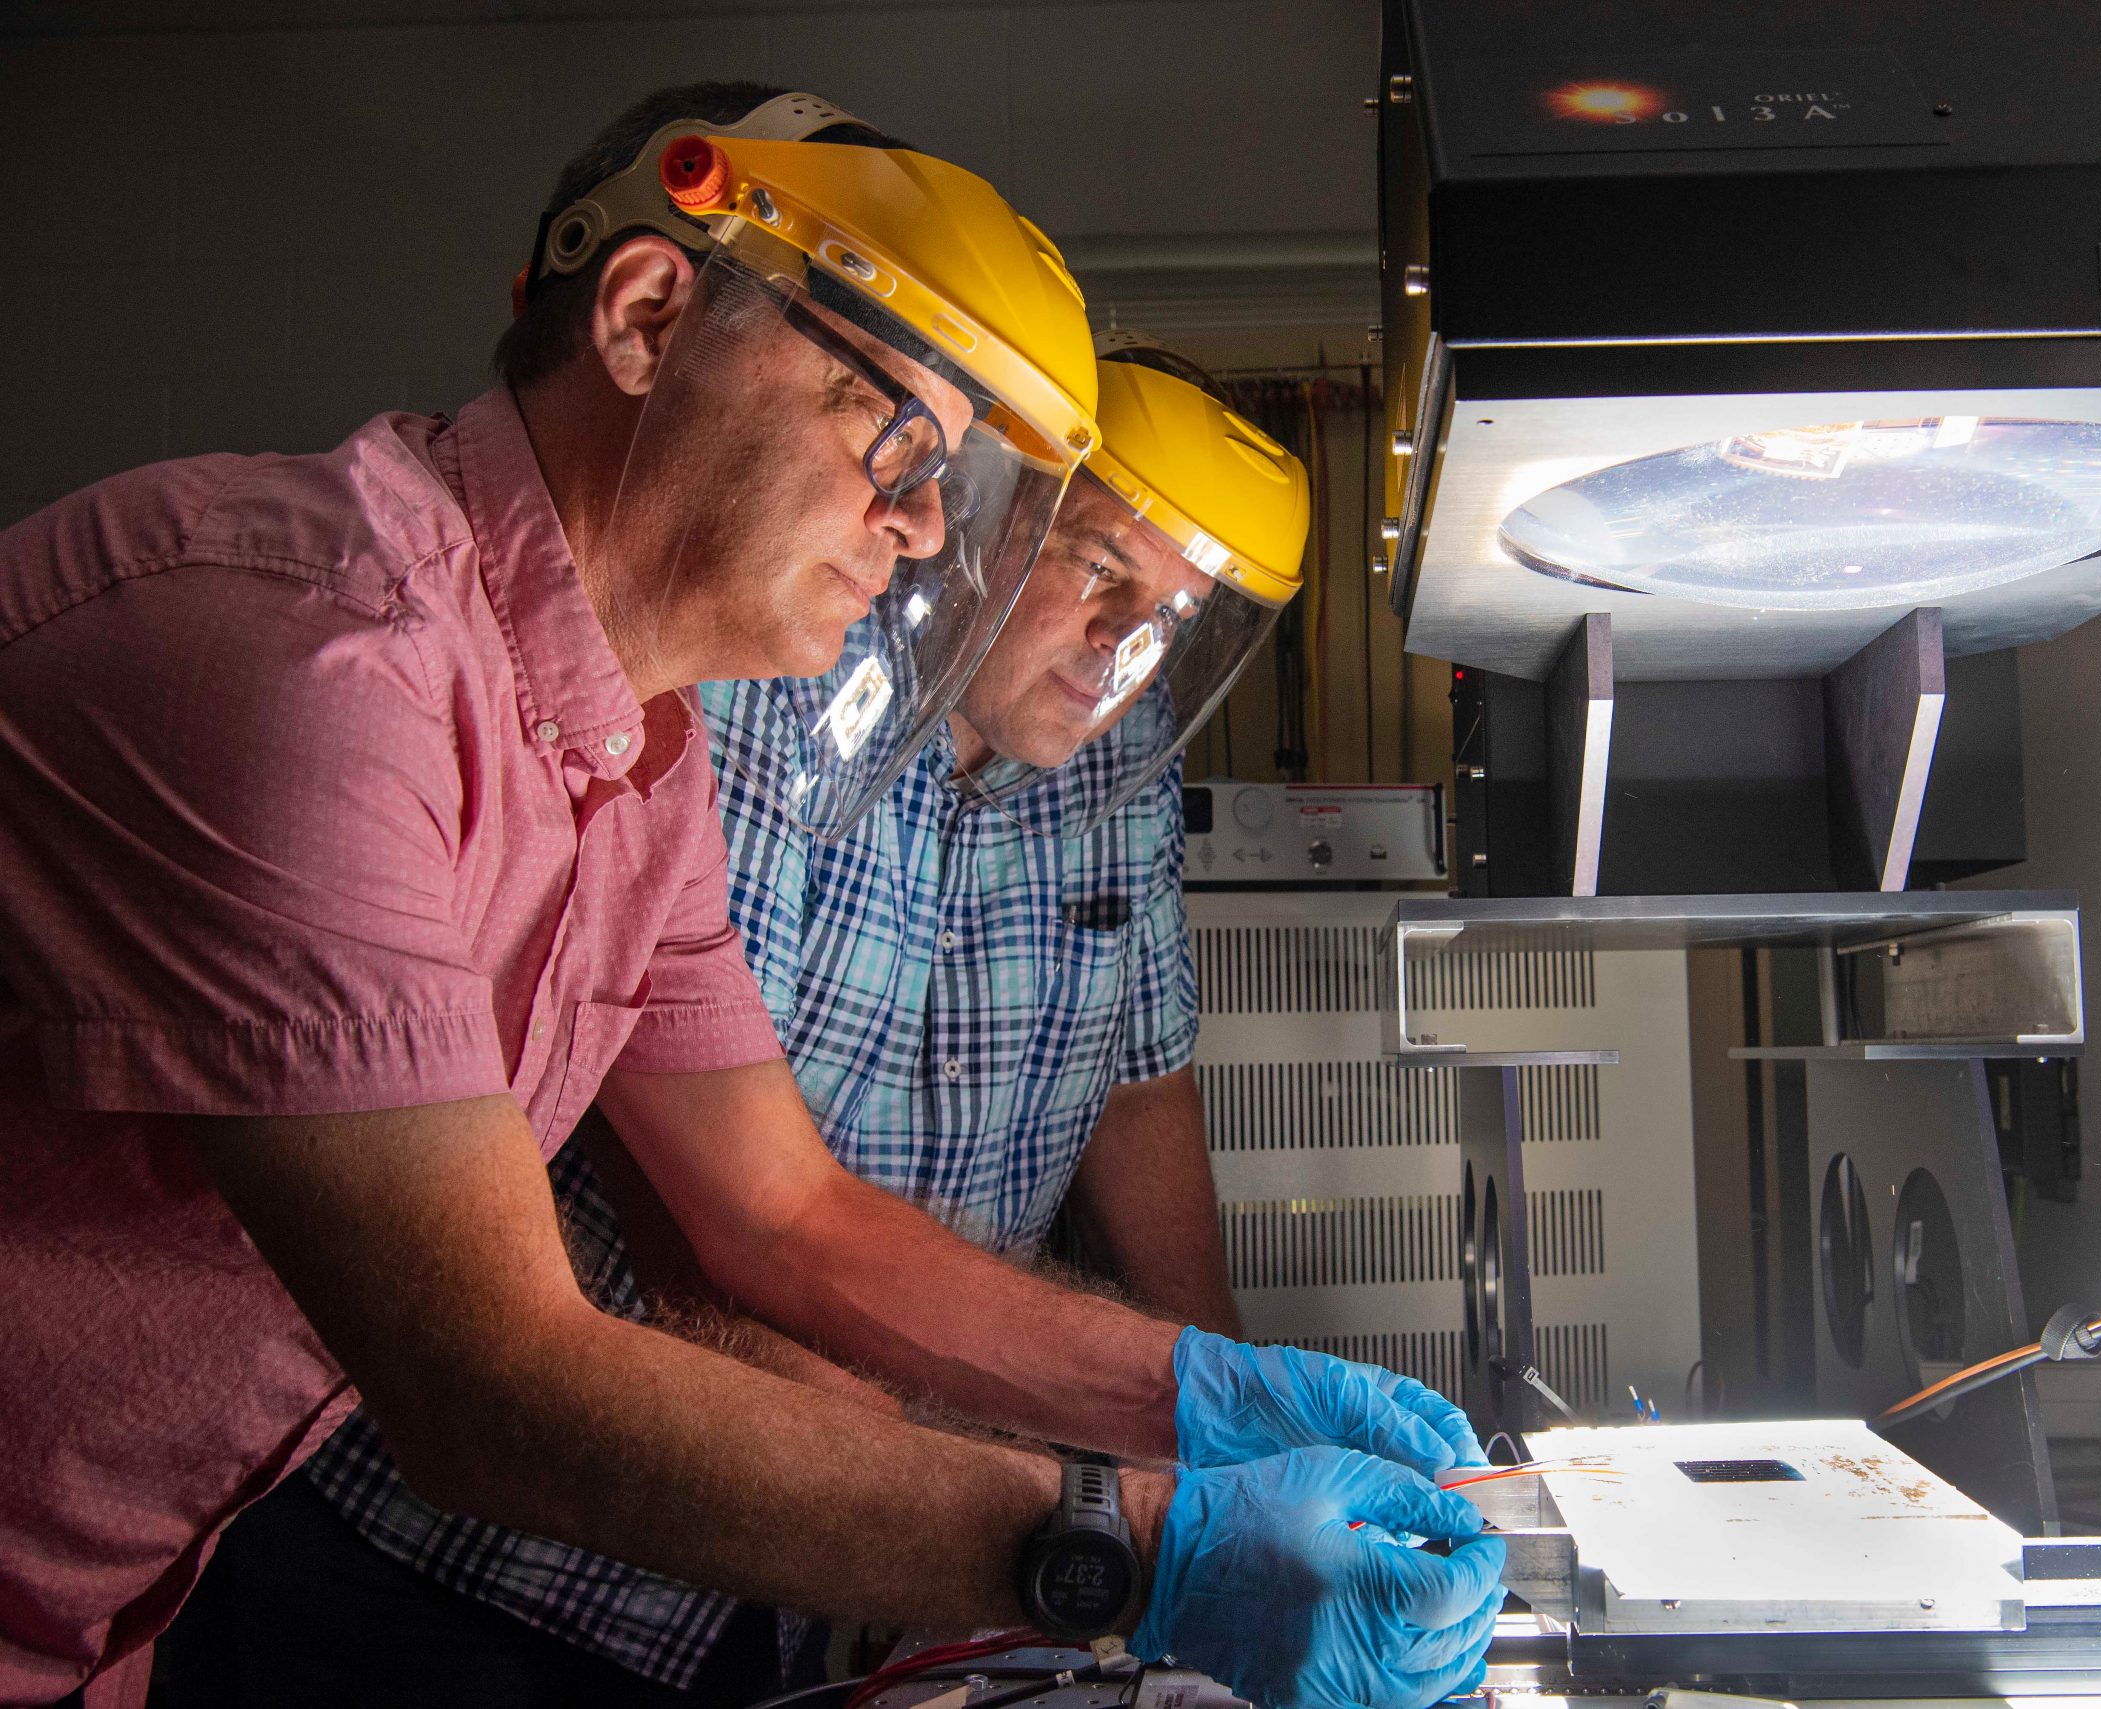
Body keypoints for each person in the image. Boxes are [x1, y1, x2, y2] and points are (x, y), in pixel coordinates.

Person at [0, 81, 1503, 1709]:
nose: (929, 532)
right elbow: (492, 1381)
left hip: (105, 1619)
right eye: (906, 440)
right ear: (649, 314)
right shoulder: (323, 659)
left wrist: (1205, 1389)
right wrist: (1140, 1548)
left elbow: (784, 1215)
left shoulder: (633, 757)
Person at [169, 330, 1312, 1702]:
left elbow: (1137, 1082)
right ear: (998, 512)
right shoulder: (778, 666)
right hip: (491, 1553)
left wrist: (1234, 1423)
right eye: (1101, 572)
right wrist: (1061, 1529)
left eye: (1171, 620)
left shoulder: (1111, 764)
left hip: (839, 1560)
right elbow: (713, 1216)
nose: (1122, 647)